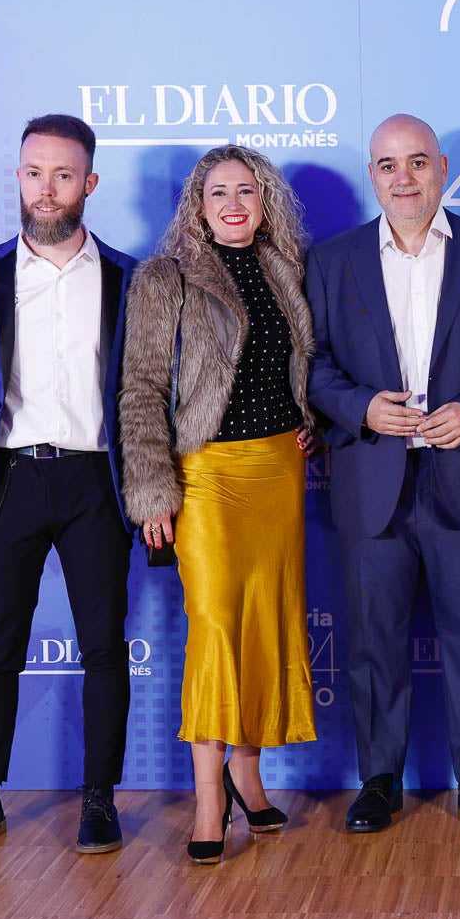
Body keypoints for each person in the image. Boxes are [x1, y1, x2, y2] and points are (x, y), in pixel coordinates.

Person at [305, 114, 460, 833]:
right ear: (371, 175)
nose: (402, 177)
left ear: (440, 167)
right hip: (371, 482)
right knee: (373, 642)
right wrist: (360, 409)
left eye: (415, 162)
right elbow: (311, 366)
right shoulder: (332, 260)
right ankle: (378, 779)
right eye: (386, 165)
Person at [0, 114, 137, 855]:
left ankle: (99, 799)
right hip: (12, 479)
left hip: (94, 482)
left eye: (61, 174)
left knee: (103, 647)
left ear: (87, 183)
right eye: (32, 172)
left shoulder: (129, 277)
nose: (45, 189)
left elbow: (139, 389)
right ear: (17, 176)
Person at [118, 145, 319, 864]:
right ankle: (208, 797)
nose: (233, 204)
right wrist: (151, 491)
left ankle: (248, 773)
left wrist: (311, 422)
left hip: (277, 472)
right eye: (218, 193)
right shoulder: (163, 278)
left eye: (247, 191)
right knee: (214, 628)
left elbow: (306, 367)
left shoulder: (287, 270)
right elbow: (140, 388)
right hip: (202, 475)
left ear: (265, 202)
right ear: (196, 207)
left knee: (264, 624)